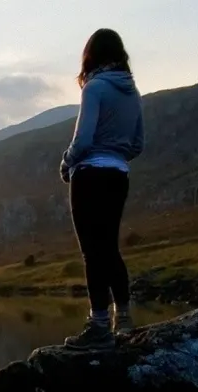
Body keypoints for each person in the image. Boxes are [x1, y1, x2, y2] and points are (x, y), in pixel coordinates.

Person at [61, 29, 145, 350]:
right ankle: (123, 320)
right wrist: (117, 155)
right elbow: (138, 143)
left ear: (90, 56)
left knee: (92, 251)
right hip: (118, 174)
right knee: (109, 247)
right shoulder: (132, 92)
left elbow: (83, 140)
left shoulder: (95, 87)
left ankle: (98, 326)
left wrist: (67, 162)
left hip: (90, 176)